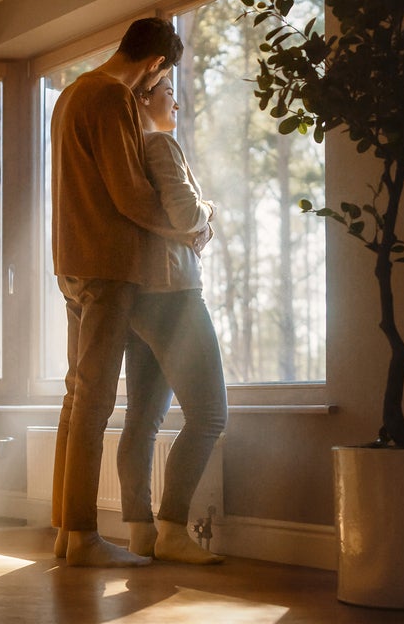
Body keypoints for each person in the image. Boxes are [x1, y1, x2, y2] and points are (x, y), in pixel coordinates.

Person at [51, 17, 204, 568]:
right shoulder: (111, 96)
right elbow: (131, 196)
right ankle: (86, 538)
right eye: (161, 79)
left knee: (77, 397)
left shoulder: (70, 93)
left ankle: (67, 533)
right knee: (94, 401)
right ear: (156, 64)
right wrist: (192, 227)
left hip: (70, 261)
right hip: (107, 263)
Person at [117, 77, 228, 564]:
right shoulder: (159, 143)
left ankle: (141, 532)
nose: (175, 101)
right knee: (209, 414)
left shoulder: (124, 154)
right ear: (143, 98)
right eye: (166, 91)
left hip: (139, 298)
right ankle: (174, 530)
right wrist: (209, 211)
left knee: (143, 418)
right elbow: (186, 216)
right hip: (175, 295)